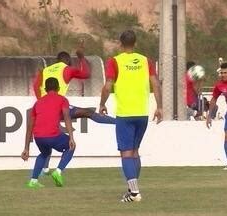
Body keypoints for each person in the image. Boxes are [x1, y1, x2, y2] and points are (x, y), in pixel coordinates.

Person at [99, 30, 163, 202]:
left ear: (120, 43)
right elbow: (155, 84)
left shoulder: (115, 61)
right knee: (134, 153)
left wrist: (102, 103)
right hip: (142, 114)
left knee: (126, 154)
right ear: (135, 43)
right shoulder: (145, 61)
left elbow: (107, 86)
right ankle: (131, 190)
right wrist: (160, 107)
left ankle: (134, 193)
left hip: (125, 114)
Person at [33, 41, 116, 174]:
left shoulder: (45, 71)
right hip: (58, 108)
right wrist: (81, 57)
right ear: (66, 60)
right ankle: (118, 122)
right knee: (88, 113)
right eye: (70, 60)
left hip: (44, 109)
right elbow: (86, 74)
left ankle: (45, 168)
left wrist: (42, 104)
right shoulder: (66, 69)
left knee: (48, 134)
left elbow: (36, 86)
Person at [22, 77, 76, 188]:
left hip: (38, 138)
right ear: (58, 88)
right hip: (53, 136)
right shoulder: (62, 100)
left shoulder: (37, 103)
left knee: (44, 153)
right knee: (71, 147)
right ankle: (58, 171)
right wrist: (71, 137)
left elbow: (29, 127)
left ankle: (33, 181)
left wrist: (26, 148)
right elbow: (67, 118)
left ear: (45, 89)